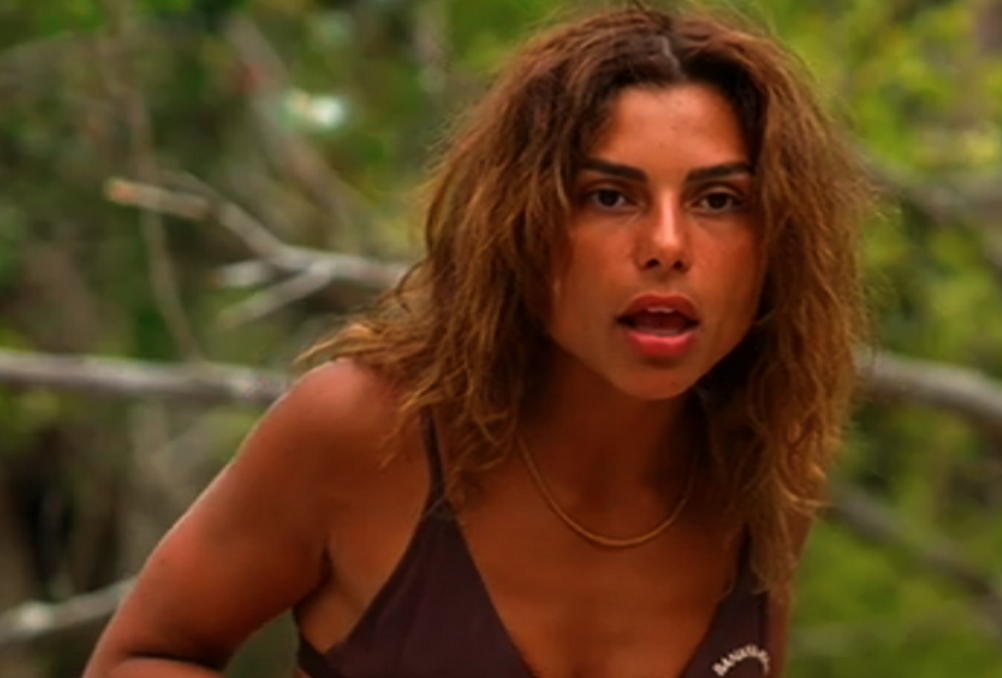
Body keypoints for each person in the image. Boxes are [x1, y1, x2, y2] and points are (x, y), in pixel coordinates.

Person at [83, 5, 867, 677]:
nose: (667, 245)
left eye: (719, 200)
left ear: (778, 242)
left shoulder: (763, 470)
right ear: (522, 222)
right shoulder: (366, 432)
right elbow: (141, 657)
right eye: (609, 196)